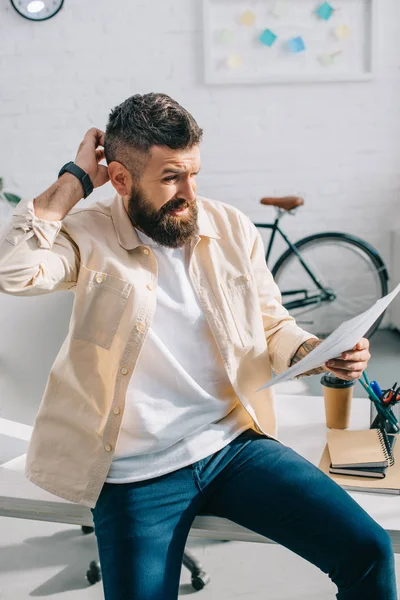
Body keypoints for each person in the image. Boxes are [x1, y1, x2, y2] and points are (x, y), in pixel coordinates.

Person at [0, 93, 395, 600]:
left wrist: (317, 352)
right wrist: (75, 178)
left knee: (369, 551)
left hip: (231, 445)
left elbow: (274, 327)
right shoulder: (88, 235)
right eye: (170, 178)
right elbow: (13, 270)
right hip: (135, 474)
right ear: (120, 179)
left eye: (193, 173)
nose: (190, 192)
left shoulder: (228, 227)